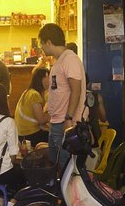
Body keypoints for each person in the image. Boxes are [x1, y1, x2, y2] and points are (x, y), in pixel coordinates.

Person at [38, 23, 86, 167]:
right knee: (55, 162)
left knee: (65, 164)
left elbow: (76, 90)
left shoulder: (70, 59)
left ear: (48, 42)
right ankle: (59, 189)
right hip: (56, 121)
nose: (40, 47)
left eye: (41, 43)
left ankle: (67, 190)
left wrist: (69, 118)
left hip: (65, 122)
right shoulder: (59, 61)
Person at [15, 67, 50, 147]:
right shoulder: (35, 95)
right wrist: (53, 115)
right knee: (56, 136)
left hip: (22, 134)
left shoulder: (28, 92)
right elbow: (41, 120)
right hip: (30, 135)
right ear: (44, 78)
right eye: (50, 77)